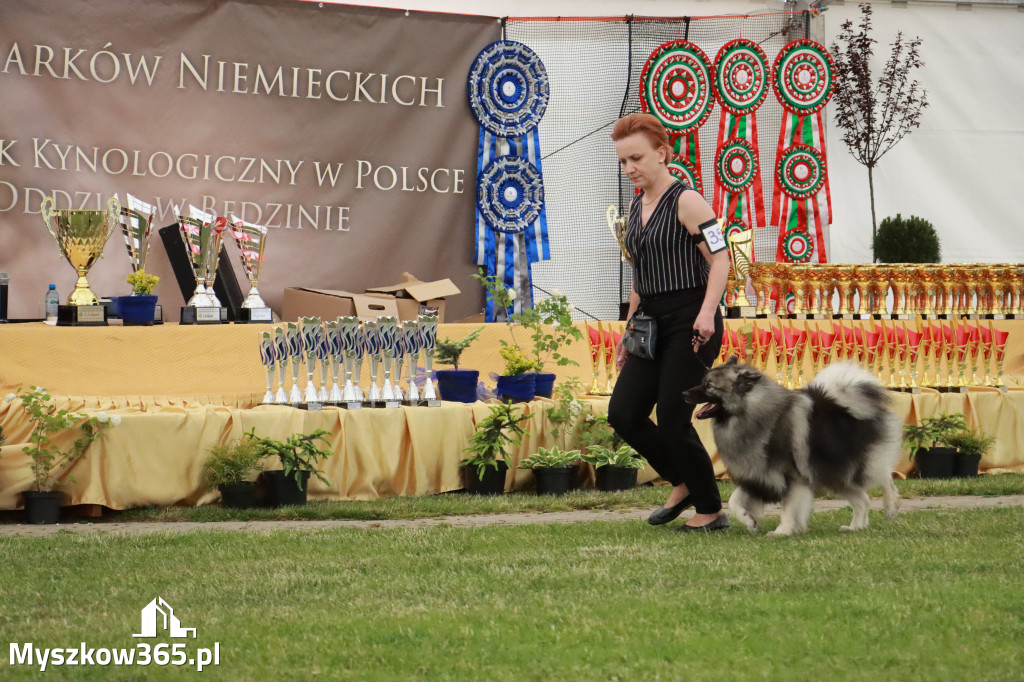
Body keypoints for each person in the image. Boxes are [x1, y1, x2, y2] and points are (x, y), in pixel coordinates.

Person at [606, 113, 730, 532]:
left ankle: (710, 511)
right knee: (624, 413)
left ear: (662, 153)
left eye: (636, 158)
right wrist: (628, 329)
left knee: (674, 420)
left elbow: (721, 258)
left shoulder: (688, 201)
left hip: (692, 321)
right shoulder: (634, 207)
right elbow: (641, 275)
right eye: (623, 162)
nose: (629, 169)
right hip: (650, 322)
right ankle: (683, 482)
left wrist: (707, 312)